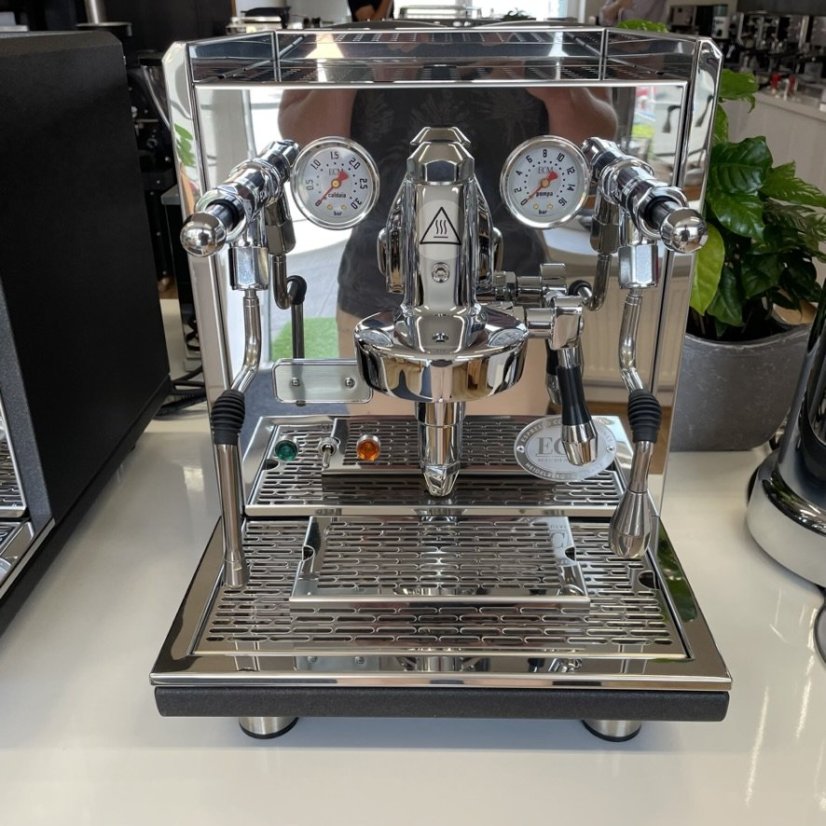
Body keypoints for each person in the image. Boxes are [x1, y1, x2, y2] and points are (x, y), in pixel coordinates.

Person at [278, 48, 617, 414]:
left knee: (501, 456)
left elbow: (594, 149)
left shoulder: (539, 39)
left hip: (511, 289)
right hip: (377, 292)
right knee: (387, 457)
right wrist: (354, 71)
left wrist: (553, 87)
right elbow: (306, 148)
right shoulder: (352, 38)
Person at [599, 0, 668, 25]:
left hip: (649, 47)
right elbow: (603, 19)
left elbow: (636, 21)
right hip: (619, 44)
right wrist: (618, 4)